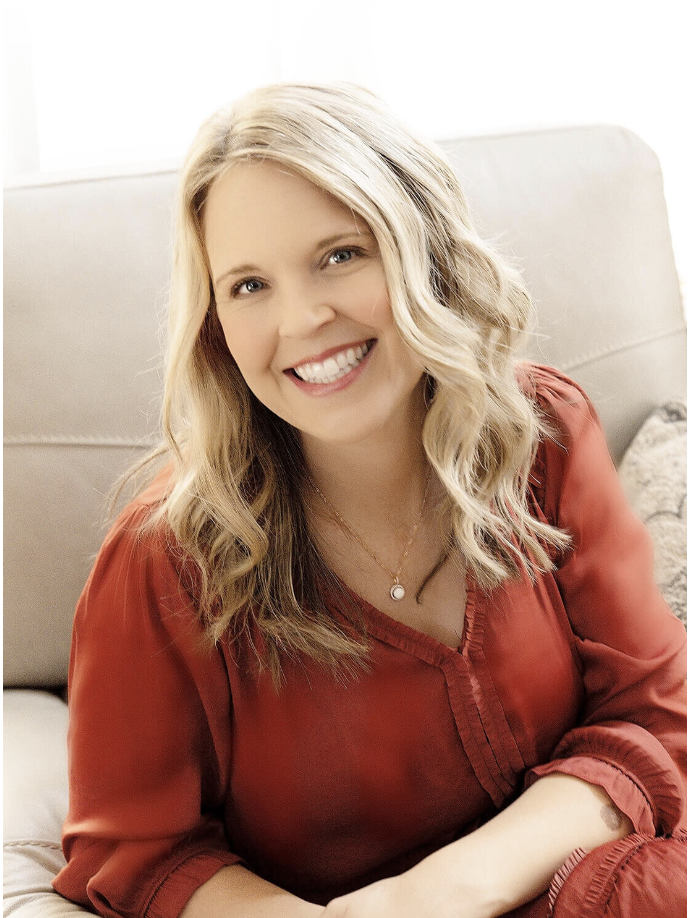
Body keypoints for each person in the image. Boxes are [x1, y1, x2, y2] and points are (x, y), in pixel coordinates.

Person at [53, 82, 686, 918]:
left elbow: (652, 719)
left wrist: (443, 893)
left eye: (339, 255)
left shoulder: (544, 433)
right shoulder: (160, 560)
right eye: (248, 286)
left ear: (421, 250)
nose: (304, 318)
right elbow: (135, 853)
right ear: (213, 322)